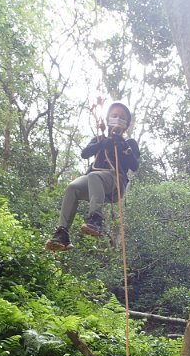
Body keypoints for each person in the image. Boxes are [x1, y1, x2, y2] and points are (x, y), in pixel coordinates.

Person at [45, 102, 140, 251]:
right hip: (94, 181)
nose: (118, 119)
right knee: (72, 187)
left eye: (122, 117)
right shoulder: (99, 139)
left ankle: (95, 219)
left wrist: (122, 145)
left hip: (115, 181)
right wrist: (102, 144)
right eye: (114, 115)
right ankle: (62, 233)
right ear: (108, 119)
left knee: (94, 177)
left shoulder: (129, 143)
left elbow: (134, 165)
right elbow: (85, 153)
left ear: (126, 124)